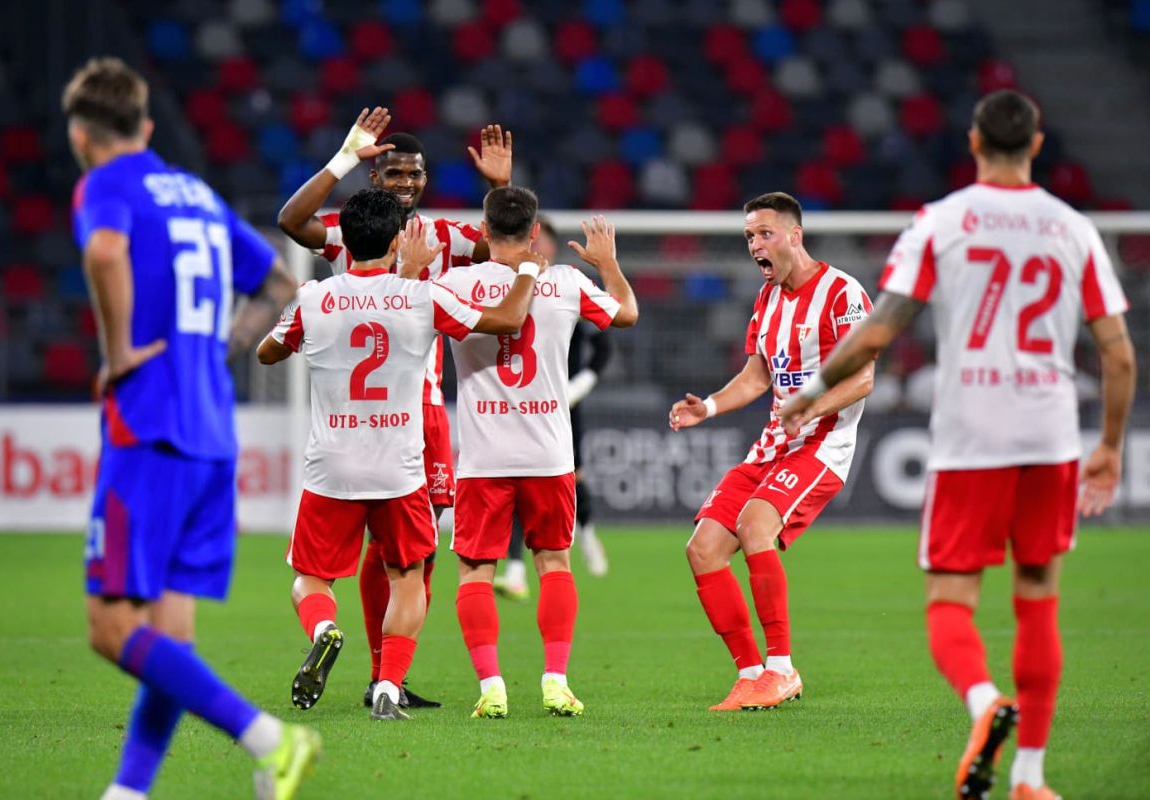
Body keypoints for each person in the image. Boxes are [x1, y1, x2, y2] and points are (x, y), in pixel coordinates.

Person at [779, 90, 1135, 800]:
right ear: (1036, 145)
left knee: (950, 601)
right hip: (1049, 434)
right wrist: (1111, 448)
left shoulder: (941, 223)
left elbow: (879, 331)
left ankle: (982, 702)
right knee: (1038, 600)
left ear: (973, 142)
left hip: (972, 437)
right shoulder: (1073, 229)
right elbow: (1119, 356)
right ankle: (1031, 777)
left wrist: (812, 391)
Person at [64, 58, 317, 800]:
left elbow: (104, 250)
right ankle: (129, 793)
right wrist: (218, 346)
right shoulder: (198, 196)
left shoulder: (108, 183)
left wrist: (119, 356)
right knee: (169, 642)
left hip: (150, 428)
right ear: (144, 126)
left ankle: (271, 740)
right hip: (212, 432)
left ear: (82, 137)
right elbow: (280, 286)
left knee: (111, 628)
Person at [257, 188, 541, 721]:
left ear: (347, 240)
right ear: (396, 240)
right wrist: (525, 272)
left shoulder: (315, 296)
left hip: (331, 468)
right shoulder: (422, 295)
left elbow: (266, 352)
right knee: (407, 575)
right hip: (399, 468)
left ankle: (323, 628)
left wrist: (298, 316)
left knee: (311, 578)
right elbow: (506, 322)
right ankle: (387, 685)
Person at [669, 192, 875, 713]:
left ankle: (782, 669)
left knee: (755, 523)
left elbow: (865, 377)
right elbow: (759, 374)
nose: (755, 245)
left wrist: (811, 406)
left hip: (823, 443)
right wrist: (709, 407)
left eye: (764, 233)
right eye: (748, 237)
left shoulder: (841, 293)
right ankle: (750, 674)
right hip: (774, 445)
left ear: (794, 234)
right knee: (702, 548)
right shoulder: (767, 299)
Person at [437, 189, 638, 719]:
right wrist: (609, 264)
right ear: (534, 233)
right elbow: (627, 314)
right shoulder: (568, 282)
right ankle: (555, 680)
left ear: (482, 230)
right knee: (554, 564)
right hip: (549, 453)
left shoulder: (454, 283)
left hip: (483, 458)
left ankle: (492, 687)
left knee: (476, 572)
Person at [496, 217, 613, 600]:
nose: (536, 246)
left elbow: (607, 341)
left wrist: (578, 386)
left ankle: (589, 533)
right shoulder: (502, 285)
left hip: (563, 399)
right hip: (519, 401)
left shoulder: (568, 285)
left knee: (574, 475)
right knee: (516, 483)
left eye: (542, 240)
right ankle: (515, 569)